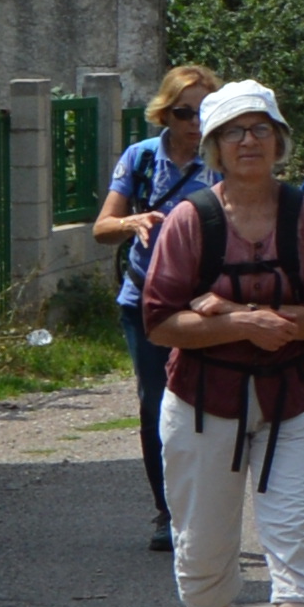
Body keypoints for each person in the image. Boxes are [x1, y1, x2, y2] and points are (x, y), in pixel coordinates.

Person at [139, 79, 304, 607]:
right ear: (215, 146)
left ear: (279, 140)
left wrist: (231, 309)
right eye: (235, 131)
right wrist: (246, 326)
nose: (249, 140)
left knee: (299, 531)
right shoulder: (190, 220)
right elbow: (159, 321)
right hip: (204, 400)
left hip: (295, 400)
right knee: (203, 538)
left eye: (261, 129)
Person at [89, 68, 219, 549]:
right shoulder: (141, 159)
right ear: (165, 113)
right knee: (156, 405)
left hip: (207, 303)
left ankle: (205, 507)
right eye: (184, 112)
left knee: (209, 404)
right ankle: (167, 511)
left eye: (204, 112)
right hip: (144, 300)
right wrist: (132, 221)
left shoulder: (224, 161)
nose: (195, 122)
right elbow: (102, 228)